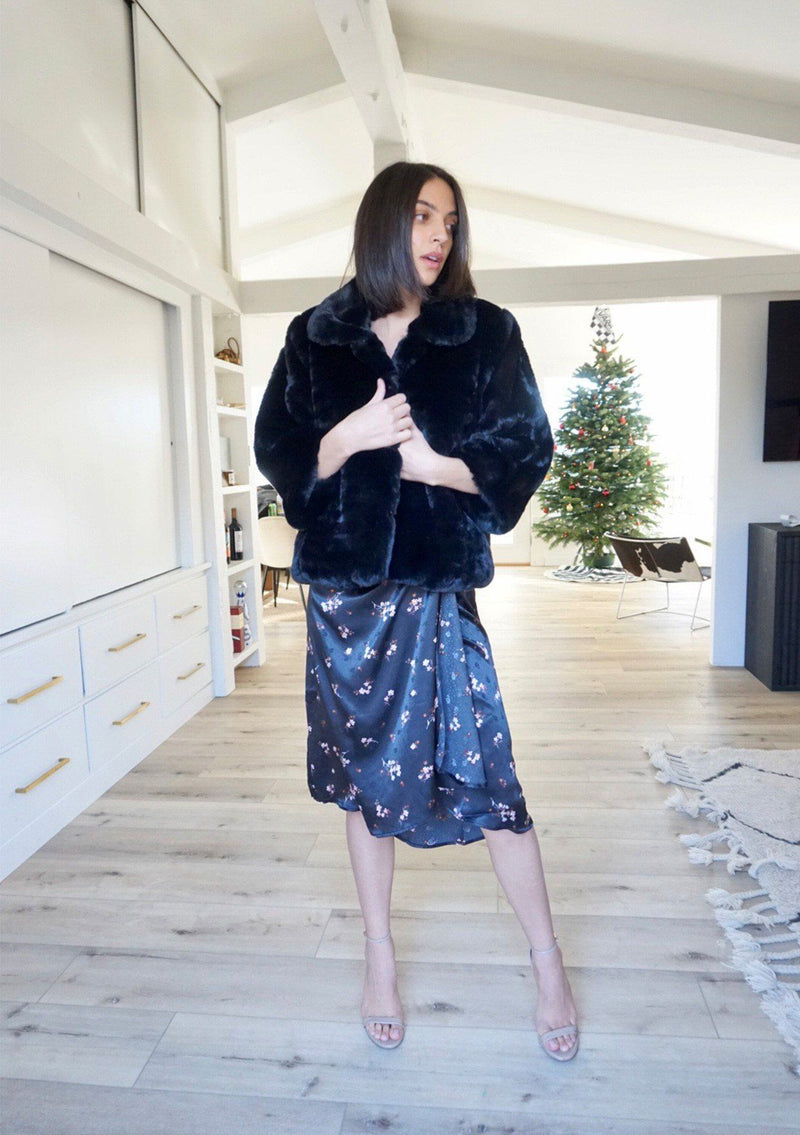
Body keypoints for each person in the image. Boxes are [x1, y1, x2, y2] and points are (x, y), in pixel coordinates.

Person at [254, 161, 579, 1062]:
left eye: (451, 222)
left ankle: (548, 964)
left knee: (493, 784)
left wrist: (434, 465)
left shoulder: (484, 332)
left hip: (437, 598)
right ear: (385, 221)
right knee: (365, 790)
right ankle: (380, 960)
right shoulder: (315, 335)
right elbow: (280, 451)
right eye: (425, 216)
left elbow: (526, 449)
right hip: (345, 607)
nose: (440, 235)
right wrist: (343, 439)